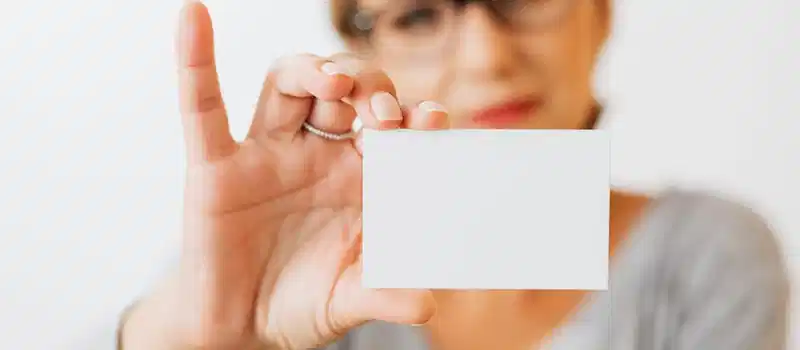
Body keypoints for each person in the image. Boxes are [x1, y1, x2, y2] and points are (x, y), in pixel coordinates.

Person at [114, 0, 790, 349]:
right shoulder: (298, 253)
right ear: (360, 47)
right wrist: (196, 335)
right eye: (416, 13)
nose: (485, 56)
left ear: (601, 14)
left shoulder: (707, 253)